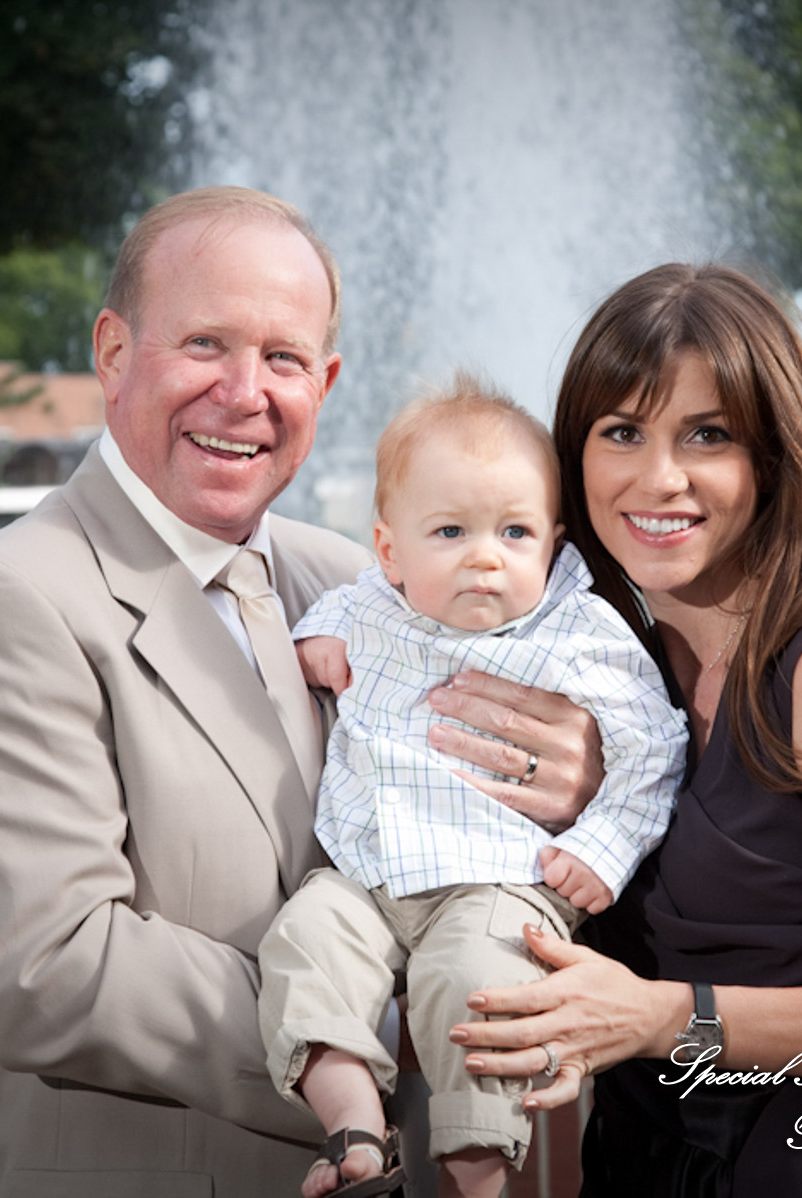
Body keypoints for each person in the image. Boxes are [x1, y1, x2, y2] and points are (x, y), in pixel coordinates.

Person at [0, 186, 600, 1198]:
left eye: (283, 358)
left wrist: (570, 777)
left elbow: (473, 819)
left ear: (327, 380)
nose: (243, 392)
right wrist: (369, 1041)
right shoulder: (7, 600)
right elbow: (46, 967)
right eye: (205, 344)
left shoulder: (357, 585)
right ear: (112, 352)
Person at [446, 263, 802, 1196]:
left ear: (775, 456)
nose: (658, 477)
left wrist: (673, 1018)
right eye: (621, 432)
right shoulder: (621, 674)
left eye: (707, 435)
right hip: (635, 1163)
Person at [258, 380, 687, 1197]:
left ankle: (479, 1178)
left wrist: (601, 846)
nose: (485, 555)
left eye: (515, 531)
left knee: (480, 988)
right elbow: (322, 624)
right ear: (390, 551)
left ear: (555, 544)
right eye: (450, 531)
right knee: (304, 942)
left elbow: (654, 752)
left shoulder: (580, 632)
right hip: (368, 874)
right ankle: (353, 1130)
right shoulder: (369, 605)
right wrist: (315, 646)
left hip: (499, 879)